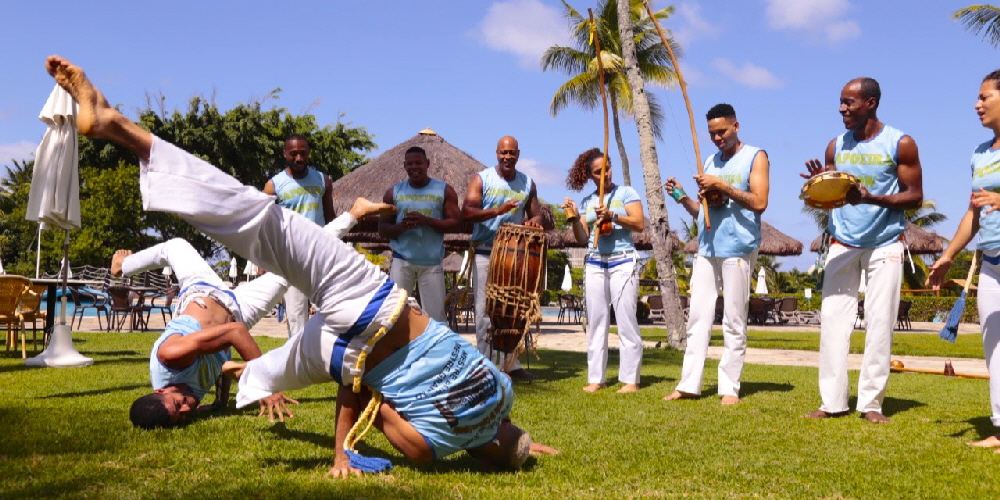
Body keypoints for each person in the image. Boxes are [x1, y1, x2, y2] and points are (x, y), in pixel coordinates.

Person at [43, 55, 556, 475]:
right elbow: (365, 395)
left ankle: (119, 127)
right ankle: (256, 376)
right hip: (352, 338)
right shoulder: (432, 448)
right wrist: (341, 451)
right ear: (484, 457)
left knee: (265, 226)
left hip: (378, 303)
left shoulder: (499, 392)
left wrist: (521, 443)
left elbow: (476, 418)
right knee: (276, 364)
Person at [121, 198, 388, 429]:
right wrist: (220, 402)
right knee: (297, 263)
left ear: (161, 390)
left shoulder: (170, 357)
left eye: (177, 405)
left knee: (175, 246)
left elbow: (233, 335)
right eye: (181, 417)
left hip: (204, 291)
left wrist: (264, 382)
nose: (186, 409)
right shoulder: (185, 396)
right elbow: (219, 365)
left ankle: (122, 265)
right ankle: (355, 213)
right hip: (240, 310)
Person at [801, 77, 923, 424]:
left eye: (849, 103)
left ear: (870, 103)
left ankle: (871, 403)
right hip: (842, 242)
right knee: (833, 324)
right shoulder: (835, 146)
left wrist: (873, 198)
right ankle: (832, 402)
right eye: (841, 102)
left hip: (885, 244)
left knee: (879, 324)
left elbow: (914, 195)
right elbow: (832, 195)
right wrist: (817, 186)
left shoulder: (900, 143)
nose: (842, 109)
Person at [662, 103, 770, 405]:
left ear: (736, 126)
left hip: (738, 247)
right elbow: (706, 211)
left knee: (734, 319)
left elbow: (760, 202)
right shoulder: (710, 160)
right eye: (712, 133)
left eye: (722, 131)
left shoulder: (755, 156)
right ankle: (688, 384)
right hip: (707, 247)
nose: (717, 138)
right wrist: (683, 198)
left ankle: (729, 388)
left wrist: (722, 185)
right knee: (698, 318)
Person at [928, 69, 1000, 447]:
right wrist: (947, 255)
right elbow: (972, 214)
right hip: (992, 262)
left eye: (985, 97)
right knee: (996, 349)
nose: (977, 104)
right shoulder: (979, 154)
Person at [561, 148, 645, 393]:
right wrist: (577, 218)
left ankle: (630, 380)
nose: (605, 175)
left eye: (607, 168)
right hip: (596, 263)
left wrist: (613, 215)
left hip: (623, 260)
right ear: (590, 176)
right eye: (598, 172)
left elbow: (639, 223)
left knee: (626, 319)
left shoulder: (626, 193)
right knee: (597, 321)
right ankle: (596, 378)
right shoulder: (588, 202)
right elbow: (581, 238)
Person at [462, 136, 544, 380]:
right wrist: (497, 211)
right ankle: (485, 366)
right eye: (503, 153)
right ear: (496, 153)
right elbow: (467, 212)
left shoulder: (527, 182)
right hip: (486, 251)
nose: (507, 157)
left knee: (514, 310)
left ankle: (512, 365)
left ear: (518, 154)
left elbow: (537, 215)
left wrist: (533, 222)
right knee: (485, 310)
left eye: (512, 153)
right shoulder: (481, 179)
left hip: (516, 256)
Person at [263, 134, 336, 337]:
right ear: (285, 154)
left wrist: (340, 247)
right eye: (293, 153)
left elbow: (330, 217)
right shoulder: (274, 185)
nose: (298, 158)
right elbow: (264, 224)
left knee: (330, 309)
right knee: (296, 316)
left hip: (320, 254)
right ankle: (298, 361)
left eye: (303, 153)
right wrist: (263, 259)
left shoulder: (323, 180)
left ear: (308, 153)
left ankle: (326, 356)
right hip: (291, 257)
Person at [378, 146, 461, 322]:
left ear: (428, 164)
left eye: (418, 163)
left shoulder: (444, 190)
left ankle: (435, 349)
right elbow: (383, 229)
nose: (414, 167)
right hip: (402, 260)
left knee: (435, 316)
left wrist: (427, 221)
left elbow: (455, 222)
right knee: (395, 313)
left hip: (431, 262)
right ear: (404, 166)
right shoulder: (394, 192)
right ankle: (400, 349)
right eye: (410, 164)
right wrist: (401, 226)